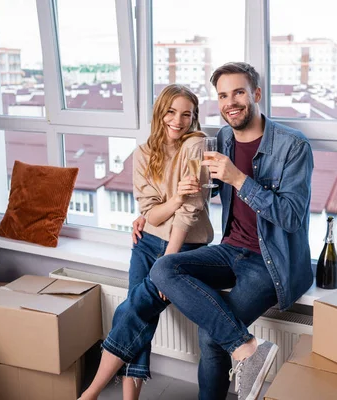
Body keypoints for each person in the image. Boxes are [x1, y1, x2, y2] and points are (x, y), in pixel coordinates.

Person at [83, 62, 314, 400]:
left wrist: (238, 179)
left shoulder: (293, 146)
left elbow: (292, 217)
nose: (230, 102)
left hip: (269, 261)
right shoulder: (222, 139)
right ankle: (248, 347)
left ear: (257, 95)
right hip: (230, 248)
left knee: (209, 335)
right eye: (222, 95)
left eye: (238, 92)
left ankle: (245, 349)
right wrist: (155, 214)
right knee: (163, 268)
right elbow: (211, 192)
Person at [80, 84, 213, 400]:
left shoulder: (195, 146)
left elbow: (190, 212)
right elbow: (151, 215)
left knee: (133, 309)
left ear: (193, 118)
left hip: (183, 248)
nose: (177, 121)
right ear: (160, 112)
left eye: (186, 114)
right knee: (137, 312)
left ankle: (90, 393)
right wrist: (176, 197)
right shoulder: (143, 153)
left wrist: (168, 261)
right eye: (171, 112)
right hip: (146, 243)